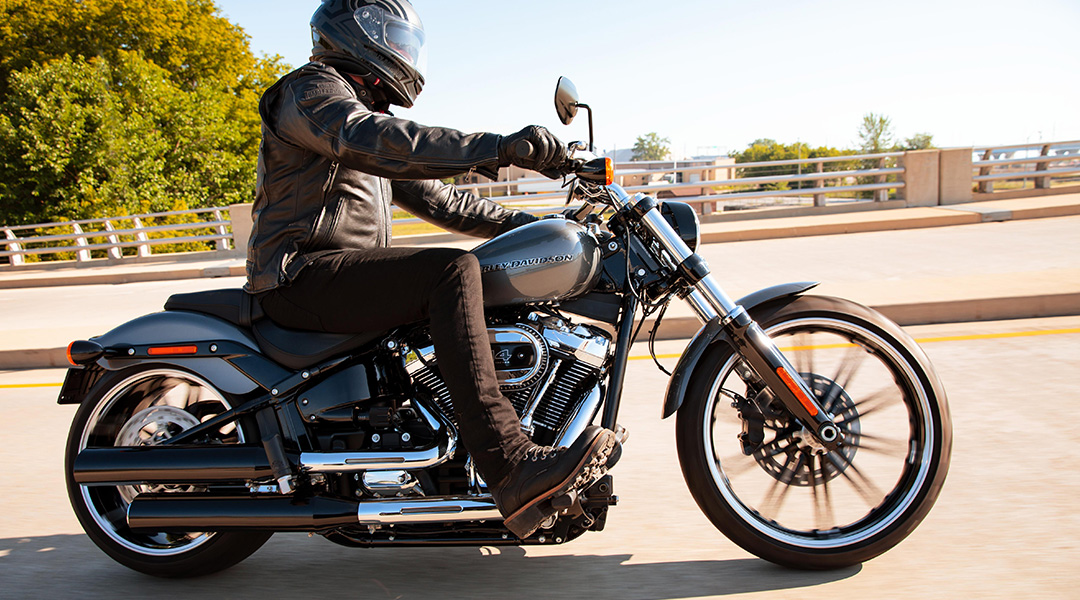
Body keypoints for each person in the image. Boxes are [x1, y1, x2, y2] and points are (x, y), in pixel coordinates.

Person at [244, 0, 618, 539]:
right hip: (301, 274)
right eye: (393, 39)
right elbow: (370, 140)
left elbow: (449, 204)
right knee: (450, 272)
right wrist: (499, 146)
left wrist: (539, 225)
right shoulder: (312, 92)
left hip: (338, 275)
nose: (402, 52)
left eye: (405, 41)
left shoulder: (369, 125)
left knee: (481, 279)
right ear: (356, 35)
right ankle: (510, 464)